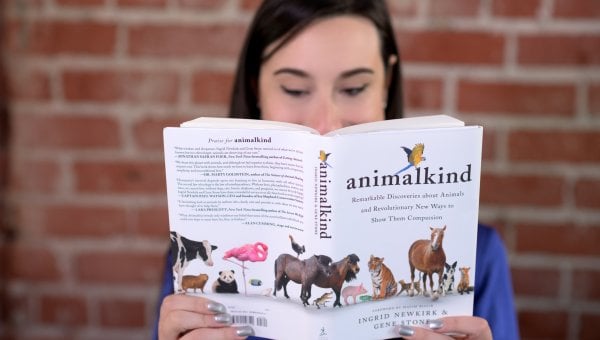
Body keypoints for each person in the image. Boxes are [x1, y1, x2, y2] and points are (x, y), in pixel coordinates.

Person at [156, 1, 519, 339]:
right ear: (256, 89)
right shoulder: (190, 255)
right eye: (295, 89)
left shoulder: (480, 254)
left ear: (386, 84)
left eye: (354, 88)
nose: (325, 124)